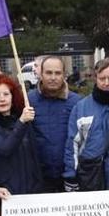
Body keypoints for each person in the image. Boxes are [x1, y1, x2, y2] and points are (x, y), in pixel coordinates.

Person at [63, 58, 109, 191]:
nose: (106, 83)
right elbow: (72, 145)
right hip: (90, 176)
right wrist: (71, 175)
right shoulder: (81, 108)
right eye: (102, 78)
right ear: (96, 78)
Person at [0, 73, 43, 194]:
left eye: (6, 94)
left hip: (31, 190)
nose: (2, 99)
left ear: (13, 97)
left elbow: (34, 155)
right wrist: (21, 122)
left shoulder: (23, 121)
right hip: (5, 194)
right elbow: (5, 148)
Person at [28, 56, 82, 192]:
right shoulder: (28, 100)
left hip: (69, 176)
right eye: (49, 73)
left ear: (64, 75)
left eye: (57, 73)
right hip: (37, 177)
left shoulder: (77, 102)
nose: (53, 77)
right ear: (41, 74)